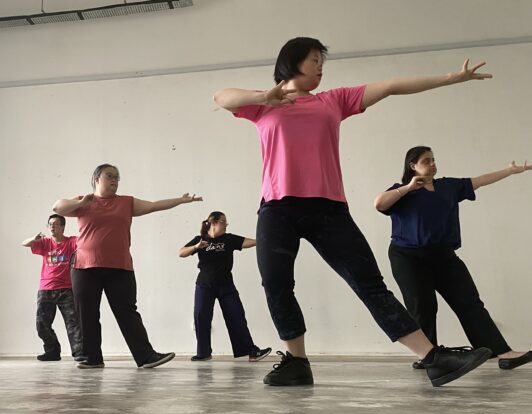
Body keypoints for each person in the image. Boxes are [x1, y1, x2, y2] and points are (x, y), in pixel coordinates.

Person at [214, 36, 493, 387]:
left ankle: (432, 358)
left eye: (322, 62)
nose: (321, 68)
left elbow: (390, 86)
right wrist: (263, 97)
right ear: (292, 61)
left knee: (369, 284)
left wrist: (451, 78)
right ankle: (296, 362)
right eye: (315, 60)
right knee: (276, 285)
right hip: (277, 208)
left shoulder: (333, 100)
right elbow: (220, 96)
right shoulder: (263, 105)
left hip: (328, 209)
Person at [375, 145, 532, 370]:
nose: (433, 164)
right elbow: (379, 203)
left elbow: (480, 181)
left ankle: (502, 352)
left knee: (469, 302)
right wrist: (408, 188)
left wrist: (510, 171)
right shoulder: (401, 191)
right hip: (407, 257)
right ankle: (429, 357)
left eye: (433, 160)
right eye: (426, 161)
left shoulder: (448, 186)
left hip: (444, 256)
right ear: (413, 166)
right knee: (423, 306)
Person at [52, 163, 202, 369]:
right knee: (86, 314)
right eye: (109, 176)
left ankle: (146, 356)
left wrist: (181, 200)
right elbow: (57, 207)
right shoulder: (84, 201)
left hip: (119, 267)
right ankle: (91, 358)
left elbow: (154, 205)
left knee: (127, 312)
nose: (114, 180)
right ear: (96, 178)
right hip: (84, 267)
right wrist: (81, 201)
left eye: (117, 177)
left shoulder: (126, 202)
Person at [179, 211, 271, 362]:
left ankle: (251, 352)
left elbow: (250, 242)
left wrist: (266, 239)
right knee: (201, 317)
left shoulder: (229, 239)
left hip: (226, 285)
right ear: (214, 222)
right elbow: (181, 252)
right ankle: (203, 353)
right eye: (223, 222)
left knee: (236, 316)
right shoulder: (200, 239)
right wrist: (196, 246)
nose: (226, 225)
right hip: (204, 285)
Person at [21, 214, 85, 362]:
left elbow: (85, 240)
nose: (52, 227)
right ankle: (52, 351)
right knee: (42, 324)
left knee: (73, 323)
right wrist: (34, 239)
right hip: (46, 289)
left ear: (62, 227)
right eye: (50, 224)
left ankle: (79, 352)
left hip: (66, 289)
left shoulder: (71, 242)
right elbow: (24, 243)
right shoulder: (45, 243)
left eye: (55, 224)